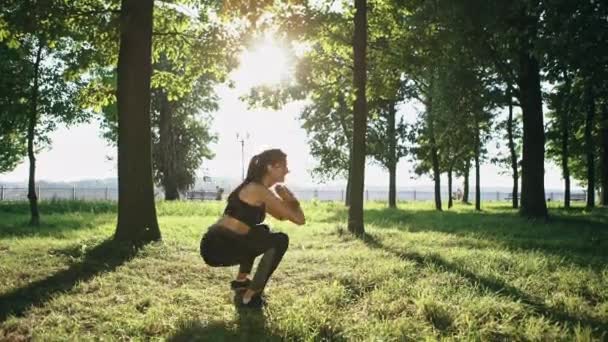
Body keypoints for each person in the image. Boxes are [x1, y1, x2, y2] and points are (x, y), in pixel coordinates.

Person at [200, 148, 306, 308]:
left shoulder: (257, 190)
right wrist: (289, 199)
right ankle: (250, 296)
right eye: (284, 166)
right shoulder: (258, 190)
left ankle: (241, 282)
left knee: (261, 231)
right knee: (280, 240)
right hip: (219, 246)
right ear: (271, 167)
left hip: (216, 244)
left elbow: (285, 217)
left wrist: (288, 200)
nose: (287, 170)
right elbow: (298, 219)